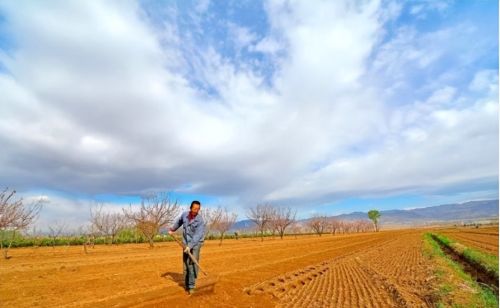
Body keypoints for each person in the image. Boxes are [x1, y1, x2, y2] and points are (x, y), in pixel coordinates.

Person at [168, 200, 205, 295]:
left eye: (198, 209)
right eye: (194, 208)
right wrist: (172, 229)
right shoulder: (184, 215)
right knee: (185, 263)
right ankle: (187, 283)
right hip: (185, 243)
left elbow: (198, 235)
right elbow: (178, 222)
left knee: (192, 264)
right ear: (190, 208)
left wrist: (190, 246)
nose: (196, 211)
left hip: (196, 244)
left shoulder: (200, 220)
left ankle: (192, 286)